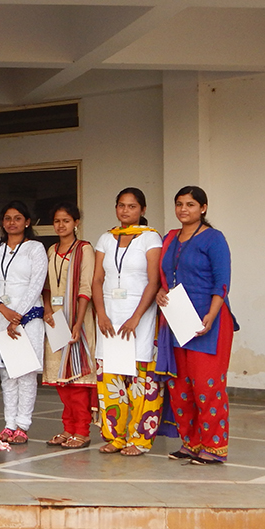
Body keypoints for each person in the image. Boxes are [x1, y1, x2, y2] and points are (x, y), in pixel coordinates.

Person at [155, 186, 237, 465]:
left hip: (208, 321)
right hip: (177, 320)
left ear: (203, 208)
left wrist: (212, 315)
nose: (183, 209)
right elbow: (165, 276)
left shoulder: (214, 238)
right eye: (179, 204)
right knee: (180, 387)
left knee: (206, 386)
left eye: (190, 204)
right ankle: (191, 443)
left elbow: (222, 281)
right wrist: (160, 292)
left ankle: (214, 447)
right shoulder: (170, 238)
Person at [91, 188, 163, 455]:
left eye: (132, 206)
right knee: (111, 378)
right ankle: (116, 437)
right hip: (110, 314)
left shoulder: (150, 237)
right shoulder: (106, 238)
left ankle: (140, 440)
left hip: (139, 314)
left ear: (142, 210)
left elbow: (154, 281)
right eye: (121, 205)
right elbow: (97, 279)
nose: (125, 211)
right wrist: (101, 313)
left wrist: (136, 317)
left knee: (141, 379)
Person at [0, 200, 47, 445]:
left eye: (17, 218)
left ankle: (22, 425)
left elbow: (36, 284)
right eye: (7, 218)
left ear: (27, 222)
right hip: (1, 316)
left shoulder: (35, 248)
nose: (12, 223)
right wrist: (3, 309)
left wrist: (17, 315)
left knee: (25, 373)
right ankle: (9, 424)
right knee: (7, 374)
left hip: (28, 318)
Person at [43, 203, 97, 449]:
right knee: (59, 377)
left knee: (77, 379)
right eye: (57, 221)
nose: (61, 225)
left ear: (76, 222)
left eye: (66, 220)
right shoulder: (51, 250)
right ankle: (68, 428)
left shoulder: (84, 249)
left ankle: (82, 431)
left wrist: (78, 322)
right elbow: (46, 285)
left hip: (78, 319)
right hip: (55, 319)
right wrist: (47, 309)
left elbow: (86, 287)